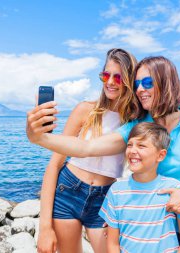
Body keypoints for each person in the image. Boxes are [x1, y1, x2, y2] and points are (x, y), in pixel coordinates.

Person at [27, 56, 180, 253]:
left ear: (166, 82)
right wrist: (39, 138)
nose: (140, 89)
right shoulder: (137, 127)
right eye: (137, 84)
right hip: (155, 228)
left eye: (147, 82)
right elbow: (86, 148)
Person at [36, 48, 141, 253]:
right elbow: (55, 164)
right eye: (106, 75)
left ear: (129, 80)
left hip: (104, 198)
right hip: (67, 191)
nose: (110, 82)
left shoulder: (133, 122)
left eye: (118, 77)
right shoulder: (85, 110)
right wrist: (44, 228)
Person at [100, 122, 180, 253]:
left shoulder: (175, 189)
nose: (133, 150)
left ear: (161, 155)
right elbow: (112, 244)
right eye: (129, 145)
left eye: (141, 146)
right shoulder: (116, 191)